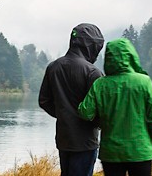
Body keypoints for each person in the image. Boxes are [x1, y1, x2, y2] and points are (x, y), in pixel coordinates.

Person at [77, 38, 152, 176]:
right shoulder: (144, 82)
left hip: (111, 152)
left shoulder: (100, 84)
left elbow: (85, 113)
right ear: (131, 55)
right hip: (141, 151)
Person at [39, 23, 107, 176]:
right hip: (85, 141)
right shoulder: (93, 72)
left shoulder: (53, 67)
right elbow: (100, 110)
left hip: (64, 138)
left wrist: (63, 114)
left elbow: (44, 101)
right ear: (91, 46)